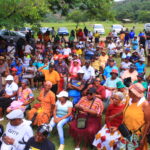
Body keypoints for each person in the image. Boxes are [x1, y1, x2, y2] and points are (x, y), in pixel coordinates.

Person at [118, 83, 149, 150]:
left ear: (135, 94)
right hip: (125, 132)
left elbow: (148, 122)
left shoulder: (145, 104)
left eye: (130, 91)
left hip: (137, 136)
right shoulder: (128, 100)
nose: (128, 92)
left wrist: (143, 138)